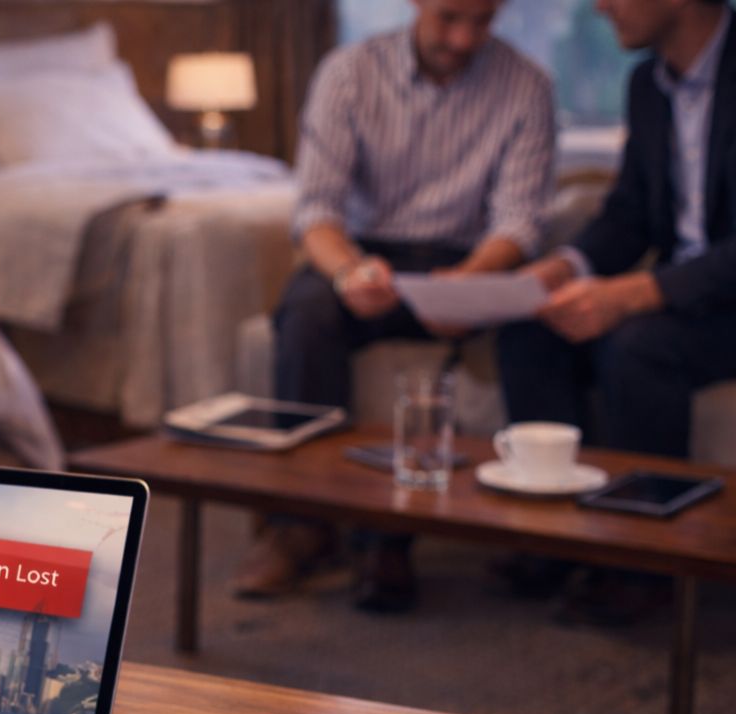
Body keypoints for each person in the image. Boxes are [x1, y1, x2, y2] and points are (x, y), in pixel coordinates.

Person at [233, 0, 556, 611]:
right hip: (366, 254)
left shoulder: (527, 85)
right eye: (450, 17)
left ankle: (532, 538)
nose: (464, 38)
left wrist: (464, 283)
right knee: (305, 314)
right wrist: (351, 271)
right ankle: (302, 521)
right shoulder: (349, 73)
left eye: (482, 22)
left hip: (469, 257)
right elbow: (317, 212)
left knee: (535, 329)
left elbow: (519, 221)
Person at [495, 0, 736, 625]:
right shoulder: (648, 83)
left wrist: (634, 294)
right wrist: (563, 268)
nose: (599, 7)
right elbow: (630, 212)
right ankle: (554, 536)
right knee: (532, 324)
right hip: (690, 295)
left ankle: (645, 562)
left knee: (636, 345)